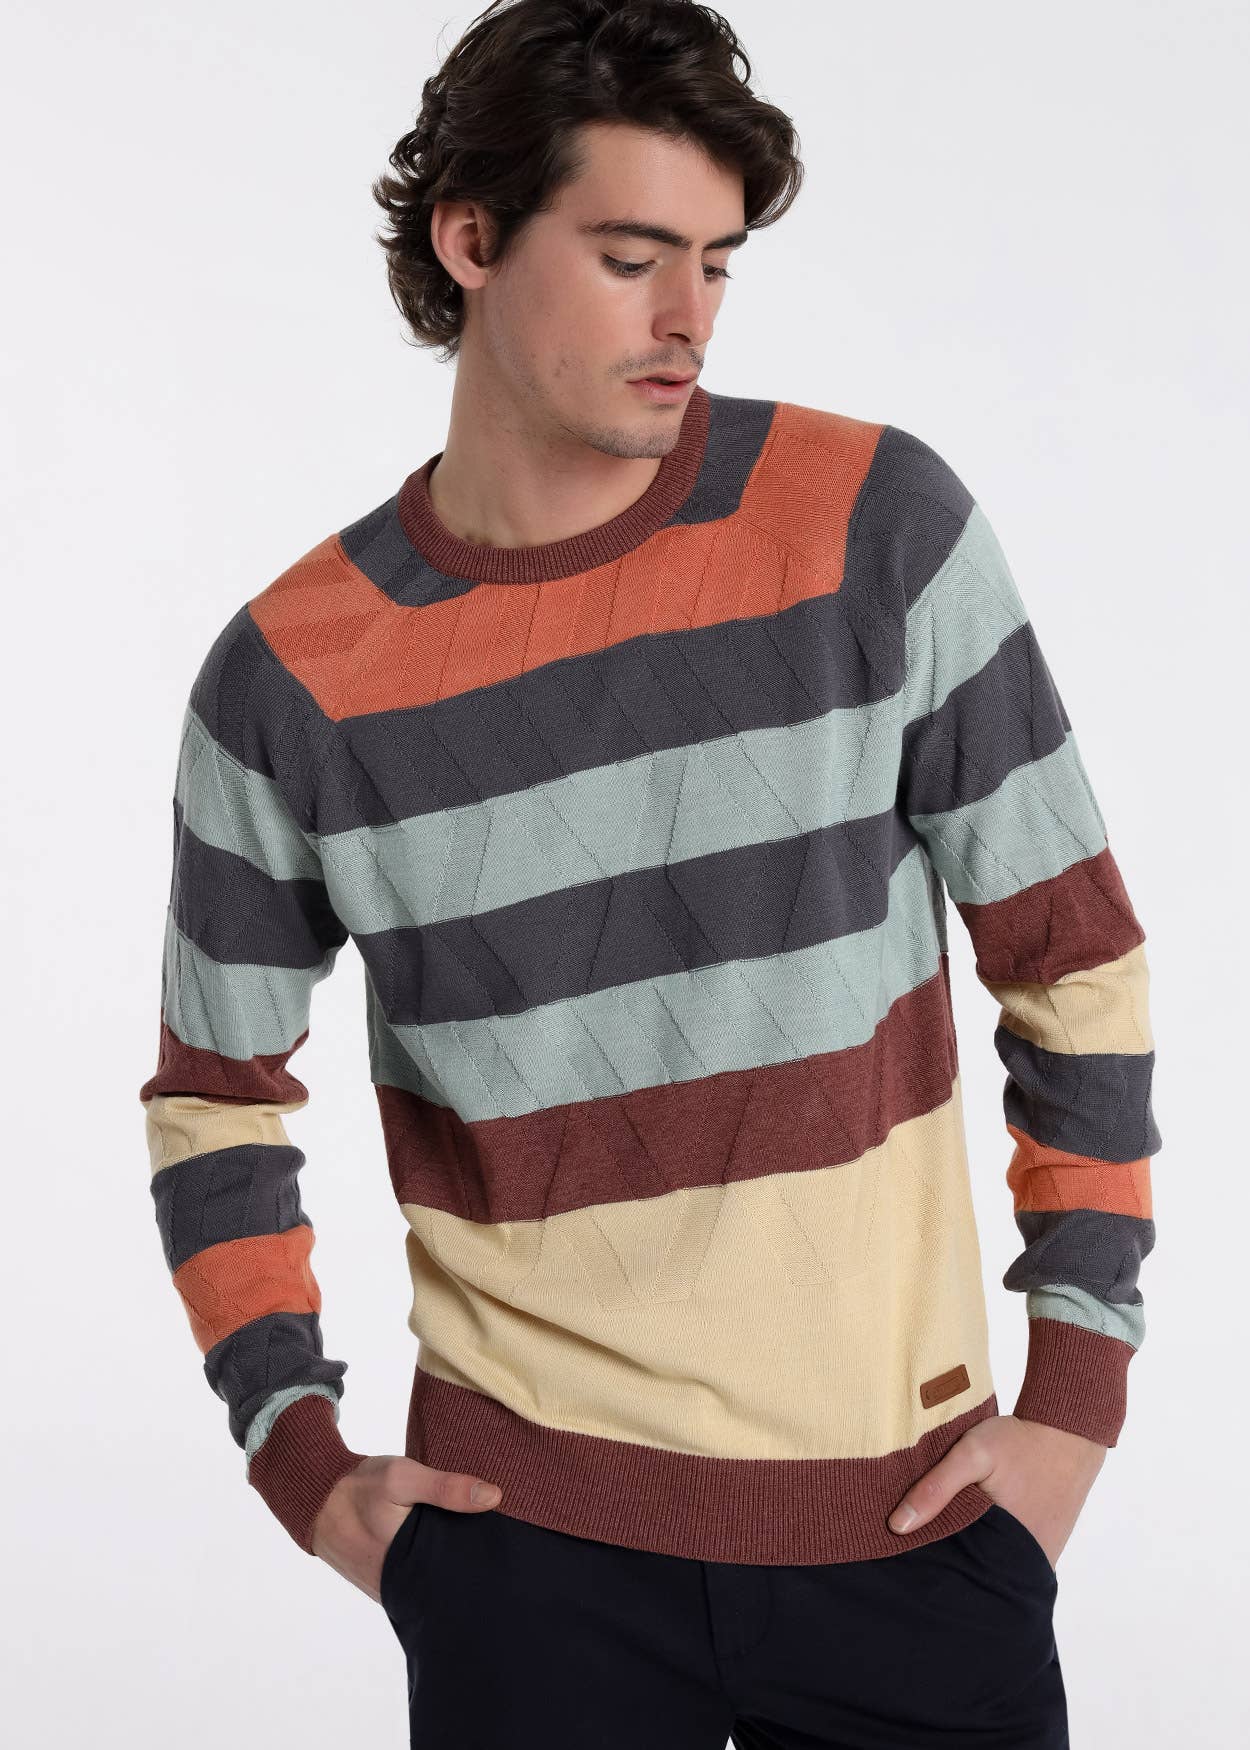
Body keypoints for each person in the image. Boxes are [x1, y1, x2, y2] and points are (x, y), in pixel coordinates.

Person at [138, 1, 1161, 1744]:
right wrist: (301, 1460)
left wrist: (1074, 1390)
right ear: (471, 241)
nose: (687, 315)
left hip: (909, 1523)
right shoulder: (293, 678)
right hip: (522, 1556)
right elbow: (212, 1098)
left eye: (716, 261)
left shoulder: (872, 527)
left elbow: (1068, 952)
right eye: (629, 259)